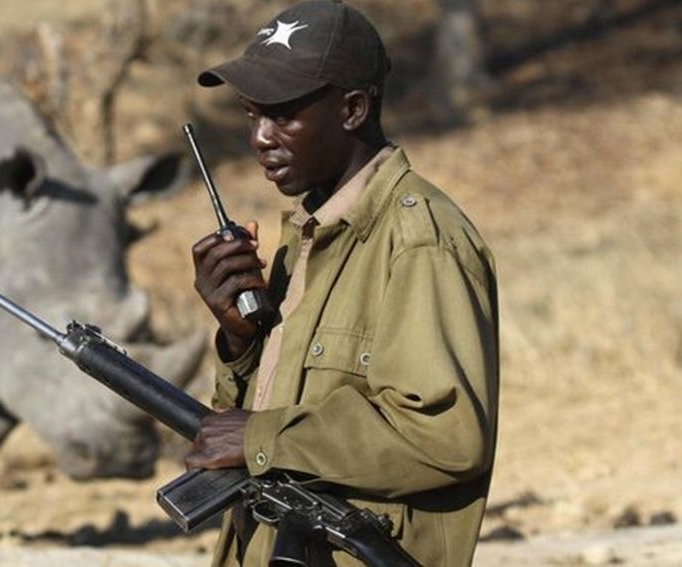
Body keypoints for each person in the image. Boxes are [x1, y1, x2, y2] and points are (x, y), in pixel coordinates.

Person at [183, 1, 499, 565]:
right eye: (251, 113)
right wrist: (238, 343)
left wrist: (261, 439)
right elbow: (245, 434)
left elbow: (445, 436)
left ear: (352, 109)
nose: (259, 137)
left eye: (281, 115)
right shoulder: (299, 241)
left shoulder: (419, 240)